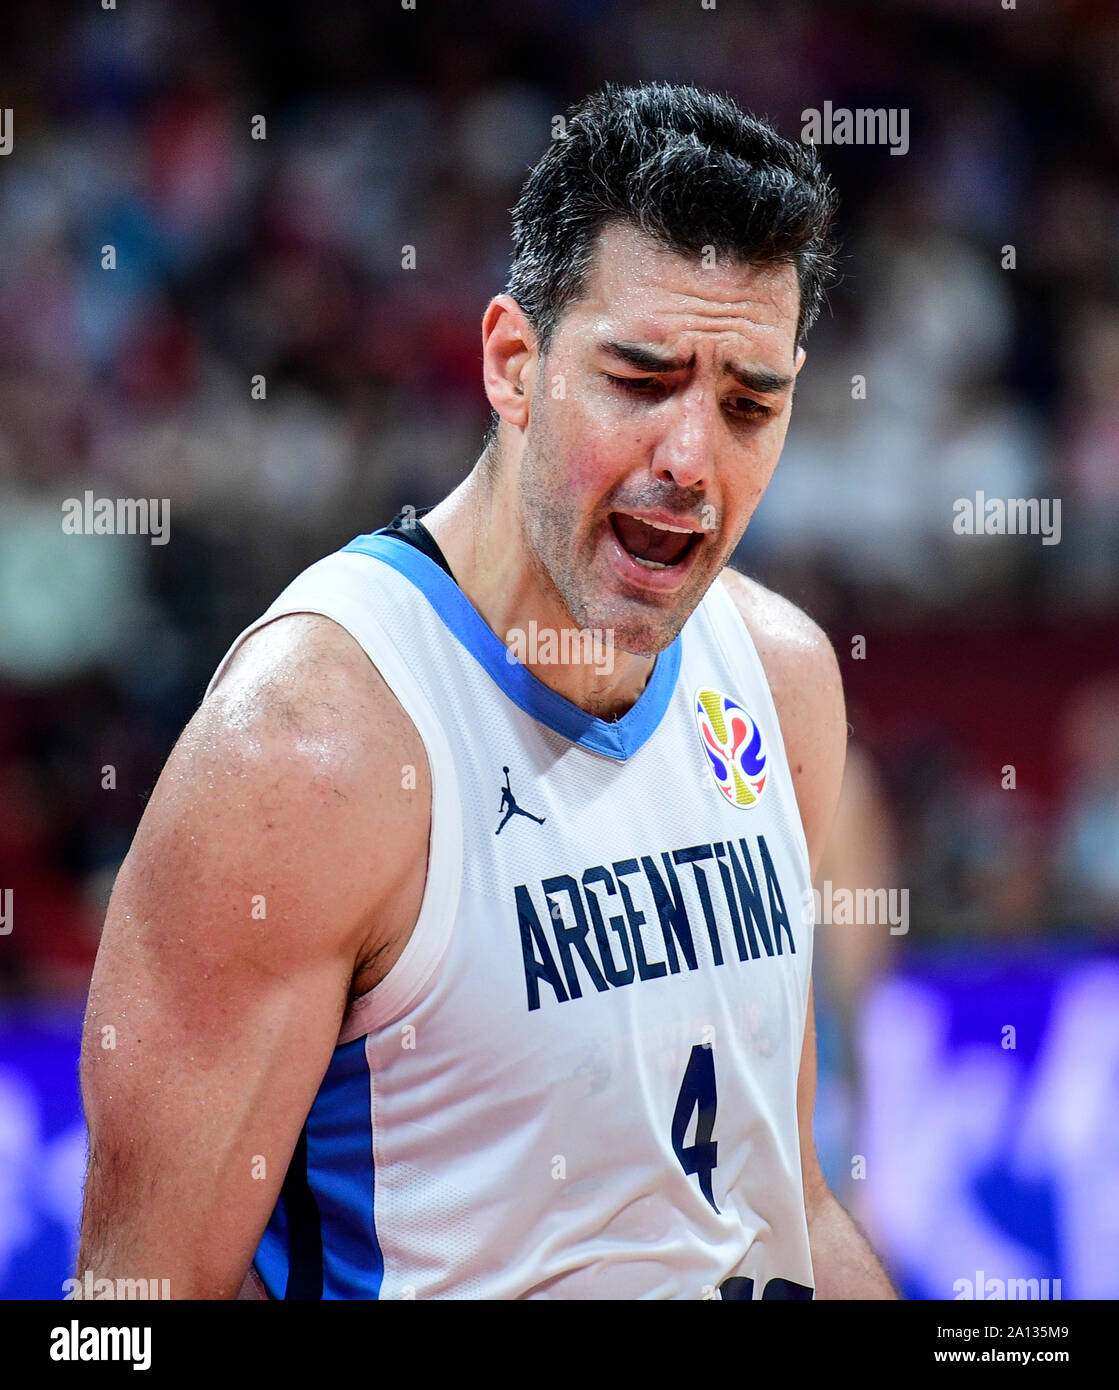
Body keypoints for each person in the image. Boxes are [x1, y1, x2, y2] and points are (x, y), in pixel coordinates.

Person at [77, 82, 897, 1300]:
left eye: (746, 407)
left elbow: (785, 1205)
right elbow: (126, 1312)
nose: (691, 461)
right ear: (514, 364)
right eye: (640, 380)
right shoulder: (314, 748)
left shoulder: (778, 677)